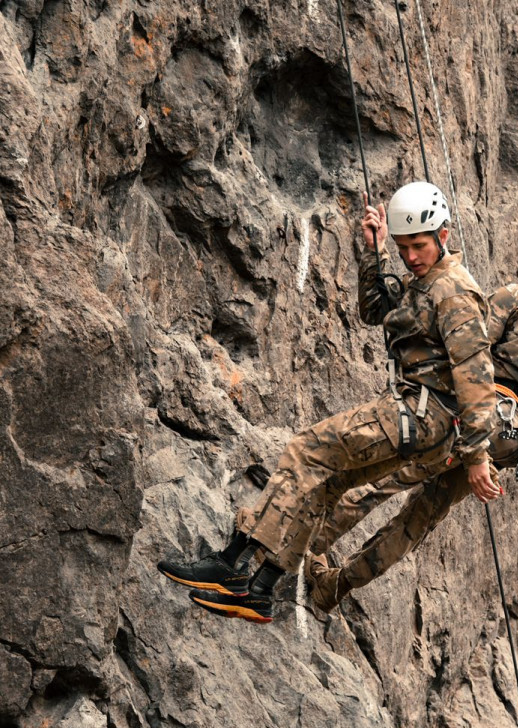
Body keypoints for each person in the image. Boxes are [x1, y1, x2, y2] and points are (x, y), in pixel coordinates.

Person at [157, 181, 499, 622]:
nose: (411, 256)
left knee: (305, 451)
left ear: (443, 236)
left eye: (418, 246)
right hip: (421, 423)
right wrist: (374, 250)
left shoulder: (453, 291)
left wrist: (476, 455)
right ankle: (259, 591)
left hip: (420, 415)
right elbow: (374, 310)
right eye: (403, 247)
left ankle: (230, 564)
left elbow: (476, 376)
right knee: (327, 484)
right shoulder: (425, 281)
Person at [305, 232, 518, 612]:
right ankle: (334, 587)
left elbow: (471, 349)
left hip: (480, 418)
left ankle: (310, 545)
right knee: (421, 517)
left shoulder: (514, 296)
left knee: (386, 478)